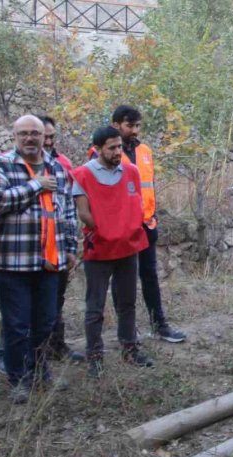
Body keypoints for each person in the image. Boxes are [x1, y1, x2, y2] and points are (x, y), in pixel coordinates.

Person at [0, 115, 77, 403]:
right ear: (14, 135)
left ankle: (39, 372)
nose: (30, 138)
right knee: (17, 324)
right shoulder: (1, 164)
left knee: (45, 322)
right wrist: (35, 185)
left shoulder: (57, 168)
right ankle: (18, 378)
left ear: (44, 136)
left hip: (49, 262)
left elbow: (68, 210)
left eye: (35, 133)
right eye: (23, 133)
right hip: (12, 262)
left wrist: (71, 246)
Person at [71, 127, 153, 378]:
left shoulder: (131, 172)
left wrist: (128, 229)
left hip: (128, 248)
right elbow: (84, 213)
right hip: (100, 249)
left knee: (127, 302)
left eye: (119, 146)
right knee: (95, 306)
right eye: (112, 148)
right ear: (97, 149)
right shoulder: (82, 175)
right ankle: (94, 355)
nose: (118, 152)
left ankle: (130, 348)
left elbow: (136, 203)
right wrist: (106, 230)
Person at [110, 105, 186, 343]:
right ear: (116, 125)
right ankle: (128, 331)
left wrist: (153, 216)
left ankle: (159, 325)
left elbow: (148, 186)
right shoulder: (107, 152)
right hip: (122, 229)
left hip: (146, 225)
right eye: (129, 125)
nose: (134, 130)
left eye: (137, 125)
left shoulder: (144, 151)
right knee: (124, 281)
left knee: (150, 276)